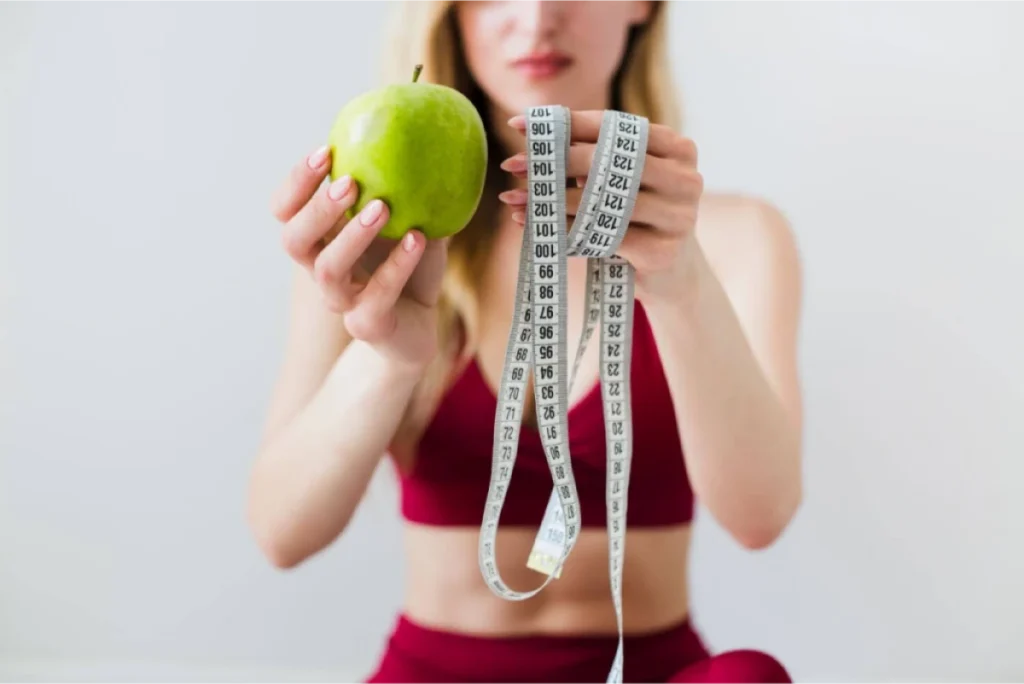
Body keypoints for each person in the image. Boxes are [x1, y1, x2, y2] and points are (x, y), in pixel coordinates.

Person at [249, 0, 804, 681]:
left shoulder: (736, 239)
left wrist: (681, 282)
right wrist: (388, 357)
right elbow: (280, 534)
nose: (537, 16)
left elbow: (762, 518)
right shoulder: (370, 243)